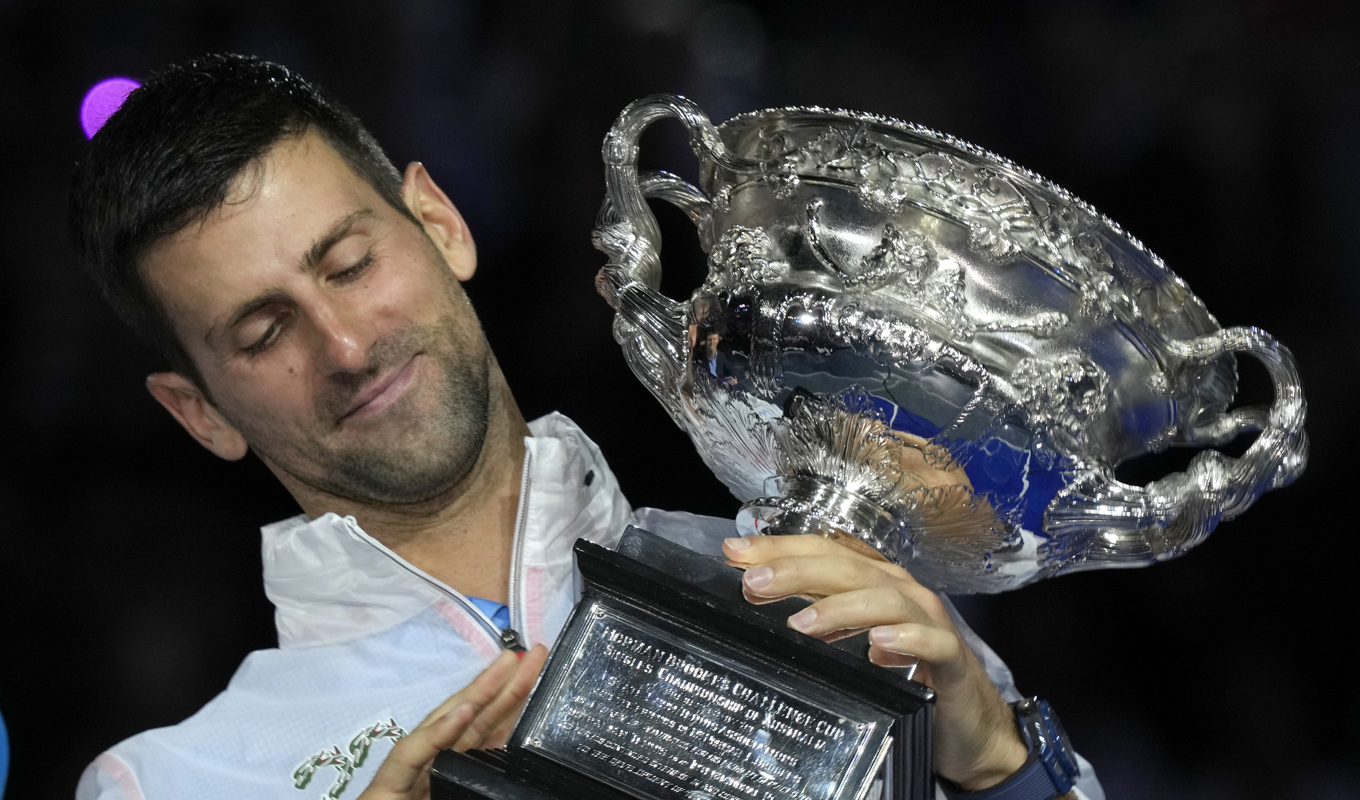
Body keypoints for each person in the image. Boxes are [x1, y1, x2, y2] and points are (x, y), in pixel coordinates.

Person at [68, 54, 1103, 800]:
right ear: (199, 412)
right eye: (262, 331)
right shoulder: (174, 778)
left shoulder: (832, 601)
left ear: (440, 224)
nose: (342, 343)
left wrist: (994, 760)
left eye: (349, 264)